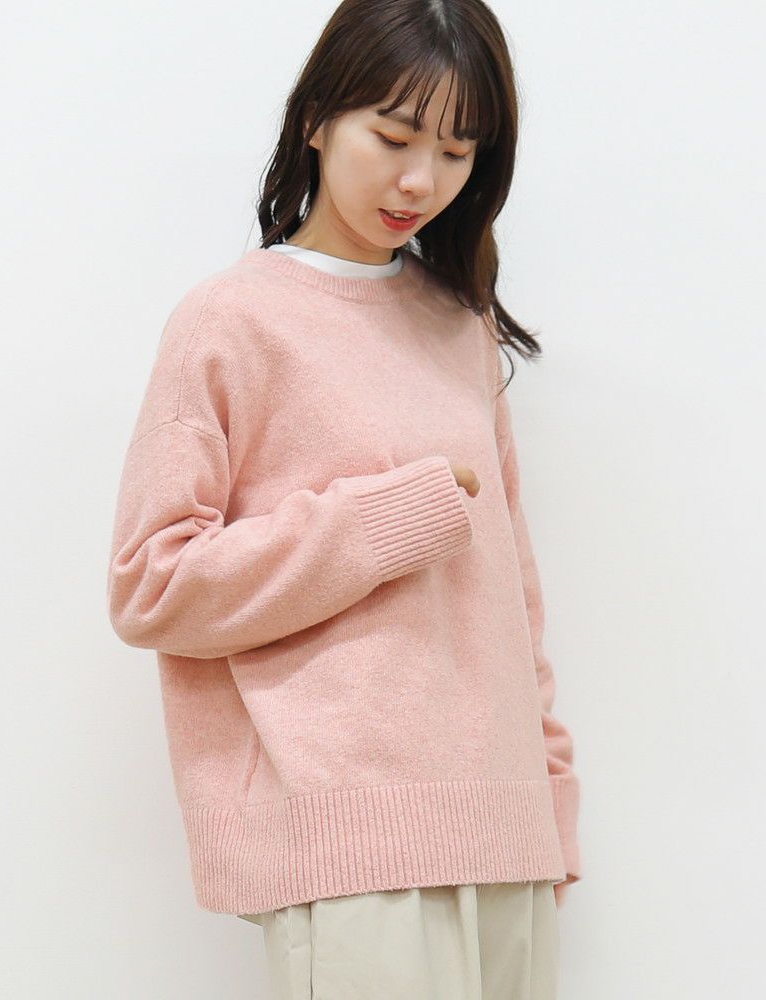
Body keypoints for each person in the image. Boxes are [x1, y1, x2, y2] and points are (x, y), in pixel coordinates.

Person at [106, 1, 582, 996]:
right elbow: (153, 586)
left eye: (456, 151)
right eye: (394, 137)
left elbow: (514, 601)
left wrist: (550, 806)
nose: (420, 182)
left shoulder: (456, 324)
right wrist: (380, 521)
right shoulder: (230, 320)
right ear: (318, 117)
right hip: (350, 847)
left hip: (504, 838)